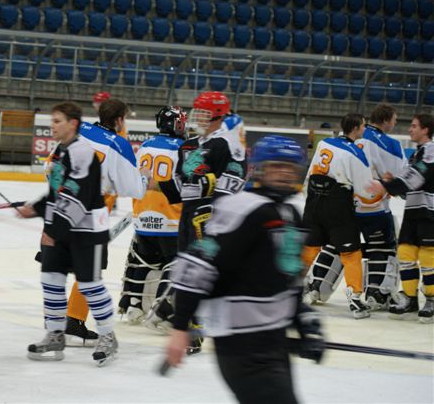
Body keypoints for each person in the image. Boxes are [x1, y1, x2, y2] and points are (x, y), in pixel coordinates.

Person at [164, 135, 324, 404]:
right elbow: (198, 267)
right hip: (241, 344)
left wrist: (303, 319)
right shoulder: (239, 208)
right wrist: (180, 327)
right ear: (259, 169)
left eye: (290, 167)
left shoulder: (290, 214)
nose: (284, 173)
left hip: (273, 340)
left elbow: (287, 277)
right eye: (276, 166)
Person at [19, 102, 119, 366]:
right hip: (62, 228)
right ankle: (55, 334)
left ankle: (108, 336)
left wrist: (54, 231)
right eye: (52, 121)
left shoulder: (82, 153)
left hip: (86, 232)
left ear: (73, 123)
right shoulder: (62, 152)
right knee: (51, 279)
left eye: (57, 121)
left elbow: (77, 199)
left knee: (89, 284)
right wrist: (35, 208)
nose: (52, 126)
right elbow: (57, 192)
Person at [156, 91, 247, 352]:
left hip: (212, 218)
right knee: (188, 268)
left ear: (219, 115)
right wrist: (153, 184)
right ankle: (190, 326)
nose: (198, 116)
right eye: (197, 111)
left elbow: (235, 179)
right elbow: (179, 184)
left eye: (204, 112)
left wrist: (212, 205)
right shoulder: (187, 145)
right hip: (188, 217)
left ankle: (219, 326)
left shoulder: (229, 144)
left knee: (209, 272)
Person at [60, 98, 149, 345]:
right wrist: (142, 178)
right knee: (91, 267)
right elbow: (133, 188)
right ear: (120, 120)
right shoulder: (118, 143)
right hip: (90, 213)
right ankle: (72, 321)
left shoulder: (79, 130)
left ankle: (62, 322)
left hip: (63, 205)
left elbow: (52, 166)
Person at [304, 105, 407, 309]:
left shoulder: (334, 142)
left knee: (335, 245)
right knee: (382, 246)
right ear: (386, 121)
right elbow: (402, 178)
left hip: (341, 205)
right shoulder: (391, 145)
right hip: (373, 206)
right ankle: (377, 293)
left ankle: (317, 286)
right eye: (394, 120)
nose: (395, 123)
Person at [301, 113, 379, 319]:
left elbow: (310, 174)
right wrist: (382, 190)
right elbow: (365, 191)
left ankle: (289, 288)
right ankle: (355, 299)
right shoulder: (356, 153)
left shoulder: (324, 143)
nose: (365, 129)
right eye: (363, 126)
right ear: (355, 128)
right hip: (338, 206)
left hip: (313, 202)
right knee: (351, 253)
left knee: (309, 247)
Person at [118, 106, 186, 326]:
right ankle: (161, 310)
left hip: (142, 215)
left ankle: (133, 305)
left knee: (143, 261)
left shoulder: (145, 146)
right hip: (170, 217)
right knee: (174, 262)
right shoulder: (184, 147)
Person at [367, 113, 434, 323]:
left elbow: (417, 177)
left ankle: (431, 299)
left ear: (425, 129)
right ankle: (410, 298)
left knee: (428, 256)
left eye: (414, 126)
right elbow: (408, 184)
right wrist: (391, 181)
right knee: (405, 252)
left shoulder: (431, 150)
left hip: (429, 211)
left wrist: (387, 186)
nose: (410, 129)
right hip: (414, 210)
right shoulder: (416, 154)